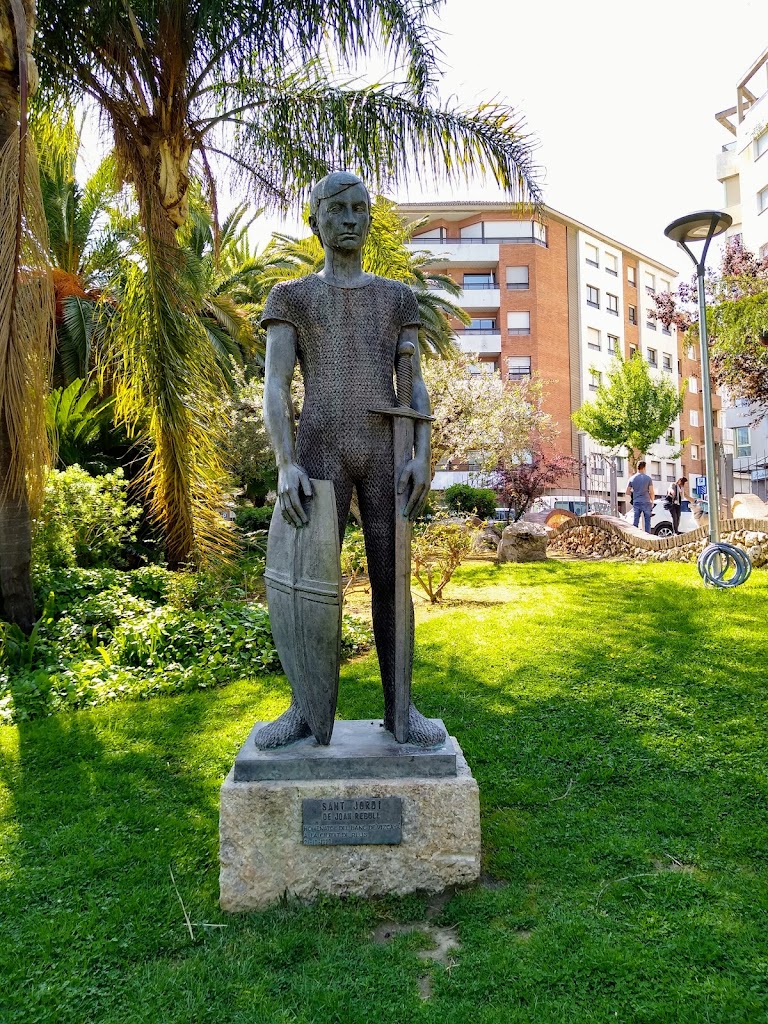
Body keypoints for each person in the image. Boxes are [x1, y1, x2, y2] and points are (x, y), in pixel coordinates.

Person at [258, 170, 445, 748]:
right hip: (318, 453)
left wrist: (422, 454)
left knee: (395, 584)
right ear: (315, 220)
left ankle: (402, 710)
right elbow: (275, 385)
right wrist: (286, 463)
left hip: (386, 453)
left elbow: (412, 383)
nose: (350, 220)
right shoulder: (292, 298)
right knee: (308, 585)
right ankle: (305, 712)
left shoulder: (397, 298)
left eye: (360, 209)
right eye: (338, 210)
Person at [626, 460, 655, 532]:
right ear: (644, 467)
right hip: (646, 501)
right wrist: (652, 501)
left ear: (637, 467)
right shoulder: (648, 478)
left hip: (636, 501)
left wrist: (634, 493)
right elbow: (651, 492)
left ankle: (635, 536)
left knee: (636, 521)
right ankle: (648, 537)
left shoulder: (632, 478)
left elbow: (627, 492)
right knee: (647, 522)